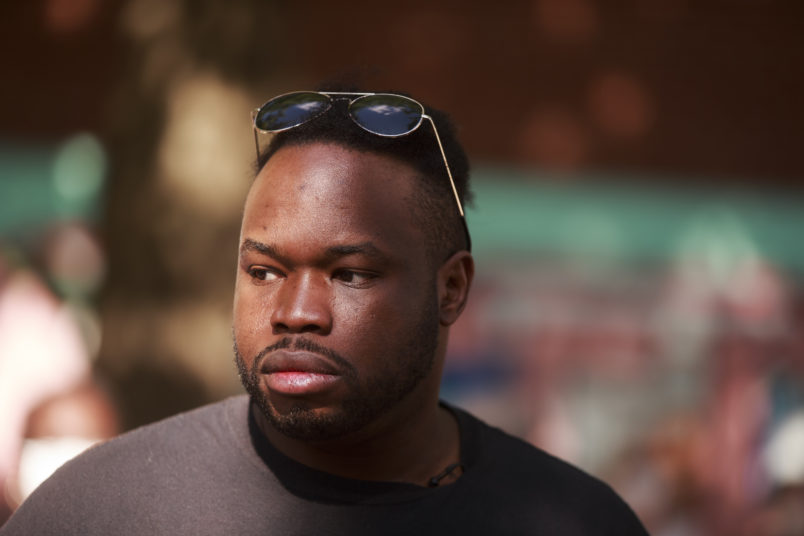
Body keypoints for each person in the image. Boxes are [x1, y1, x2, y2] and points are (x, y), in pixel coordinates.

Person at [1, 89, 648, 535]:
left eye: (351, 274)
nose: (295, 313)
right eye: (263, 271)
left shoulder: (573, 521)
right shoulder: (103, 511)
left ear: (451, 290)